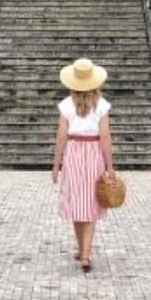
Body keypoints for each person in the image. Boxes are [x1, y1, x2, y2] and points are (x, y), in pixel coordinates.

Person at [51, 58, 115, 273]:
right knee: (90, 204)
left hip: (74, 152)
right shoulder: (102, 105)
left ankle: (83, 251)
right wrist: (110, 166)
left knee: (78, 204)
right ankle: (85, 253)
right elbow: (105, 137)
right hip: (94, 153)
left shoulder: (66, 105)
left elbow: (61, 136)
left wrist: (56, 164)